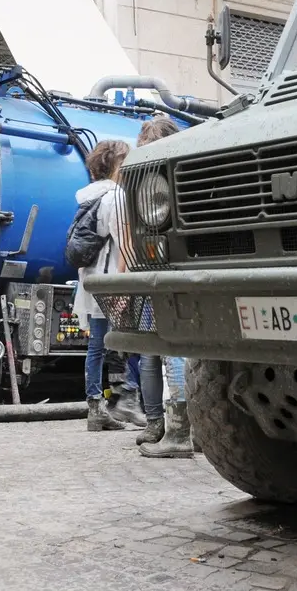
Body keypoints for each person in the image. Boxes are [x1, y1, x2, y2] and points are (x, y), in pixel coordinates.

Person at [132, 115, 194, 460]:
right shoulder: (186, 169)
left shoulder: (155, 177)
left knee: (169, 351)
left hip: (164, 271)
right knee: (174, 352)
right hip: (175, 272)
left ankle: (178, 432)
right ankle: (186, 428)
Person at [72, 139, 132, 432]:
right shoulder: (116, 198)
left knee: (96, 345)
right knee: (136, 341)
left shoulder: (87, 197)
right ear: (116, 165)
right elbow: (124, 243)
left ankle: (95, 407)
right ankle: (129, 399)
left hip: (92, 281)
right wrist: (125, 284)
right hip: (113, 279)